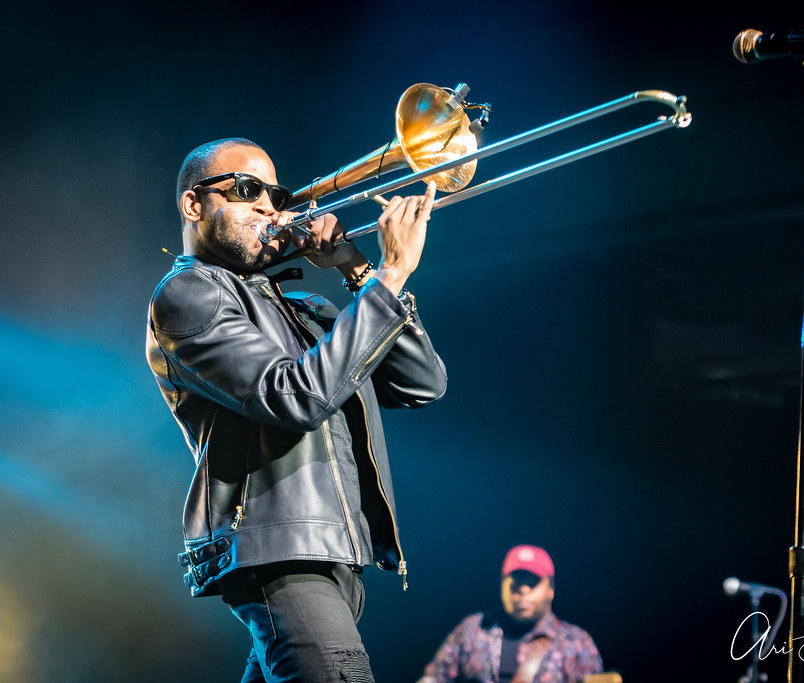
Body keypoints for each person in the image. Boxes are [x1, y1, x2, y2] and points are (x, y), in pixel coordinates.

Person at [145, 137, 447, 682]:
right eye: (246, 190)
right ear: (194, 206)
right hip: (280, 553)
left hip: (332, 552)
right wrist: (392, 275)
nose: (268, 205)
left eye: (275, 194)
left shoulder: (307, 308)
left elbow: (422, 383)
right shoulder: (189, 294)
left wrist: (358, 270)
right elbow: (295, 396)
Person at [418, 545, 604, 683]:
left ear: (551, 589)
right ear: (502, 585)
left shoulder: (577, 643)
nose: (523, 589)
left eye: (532, 582)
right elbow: (433, 678)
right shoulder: (473, 629)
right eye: (515, 581)